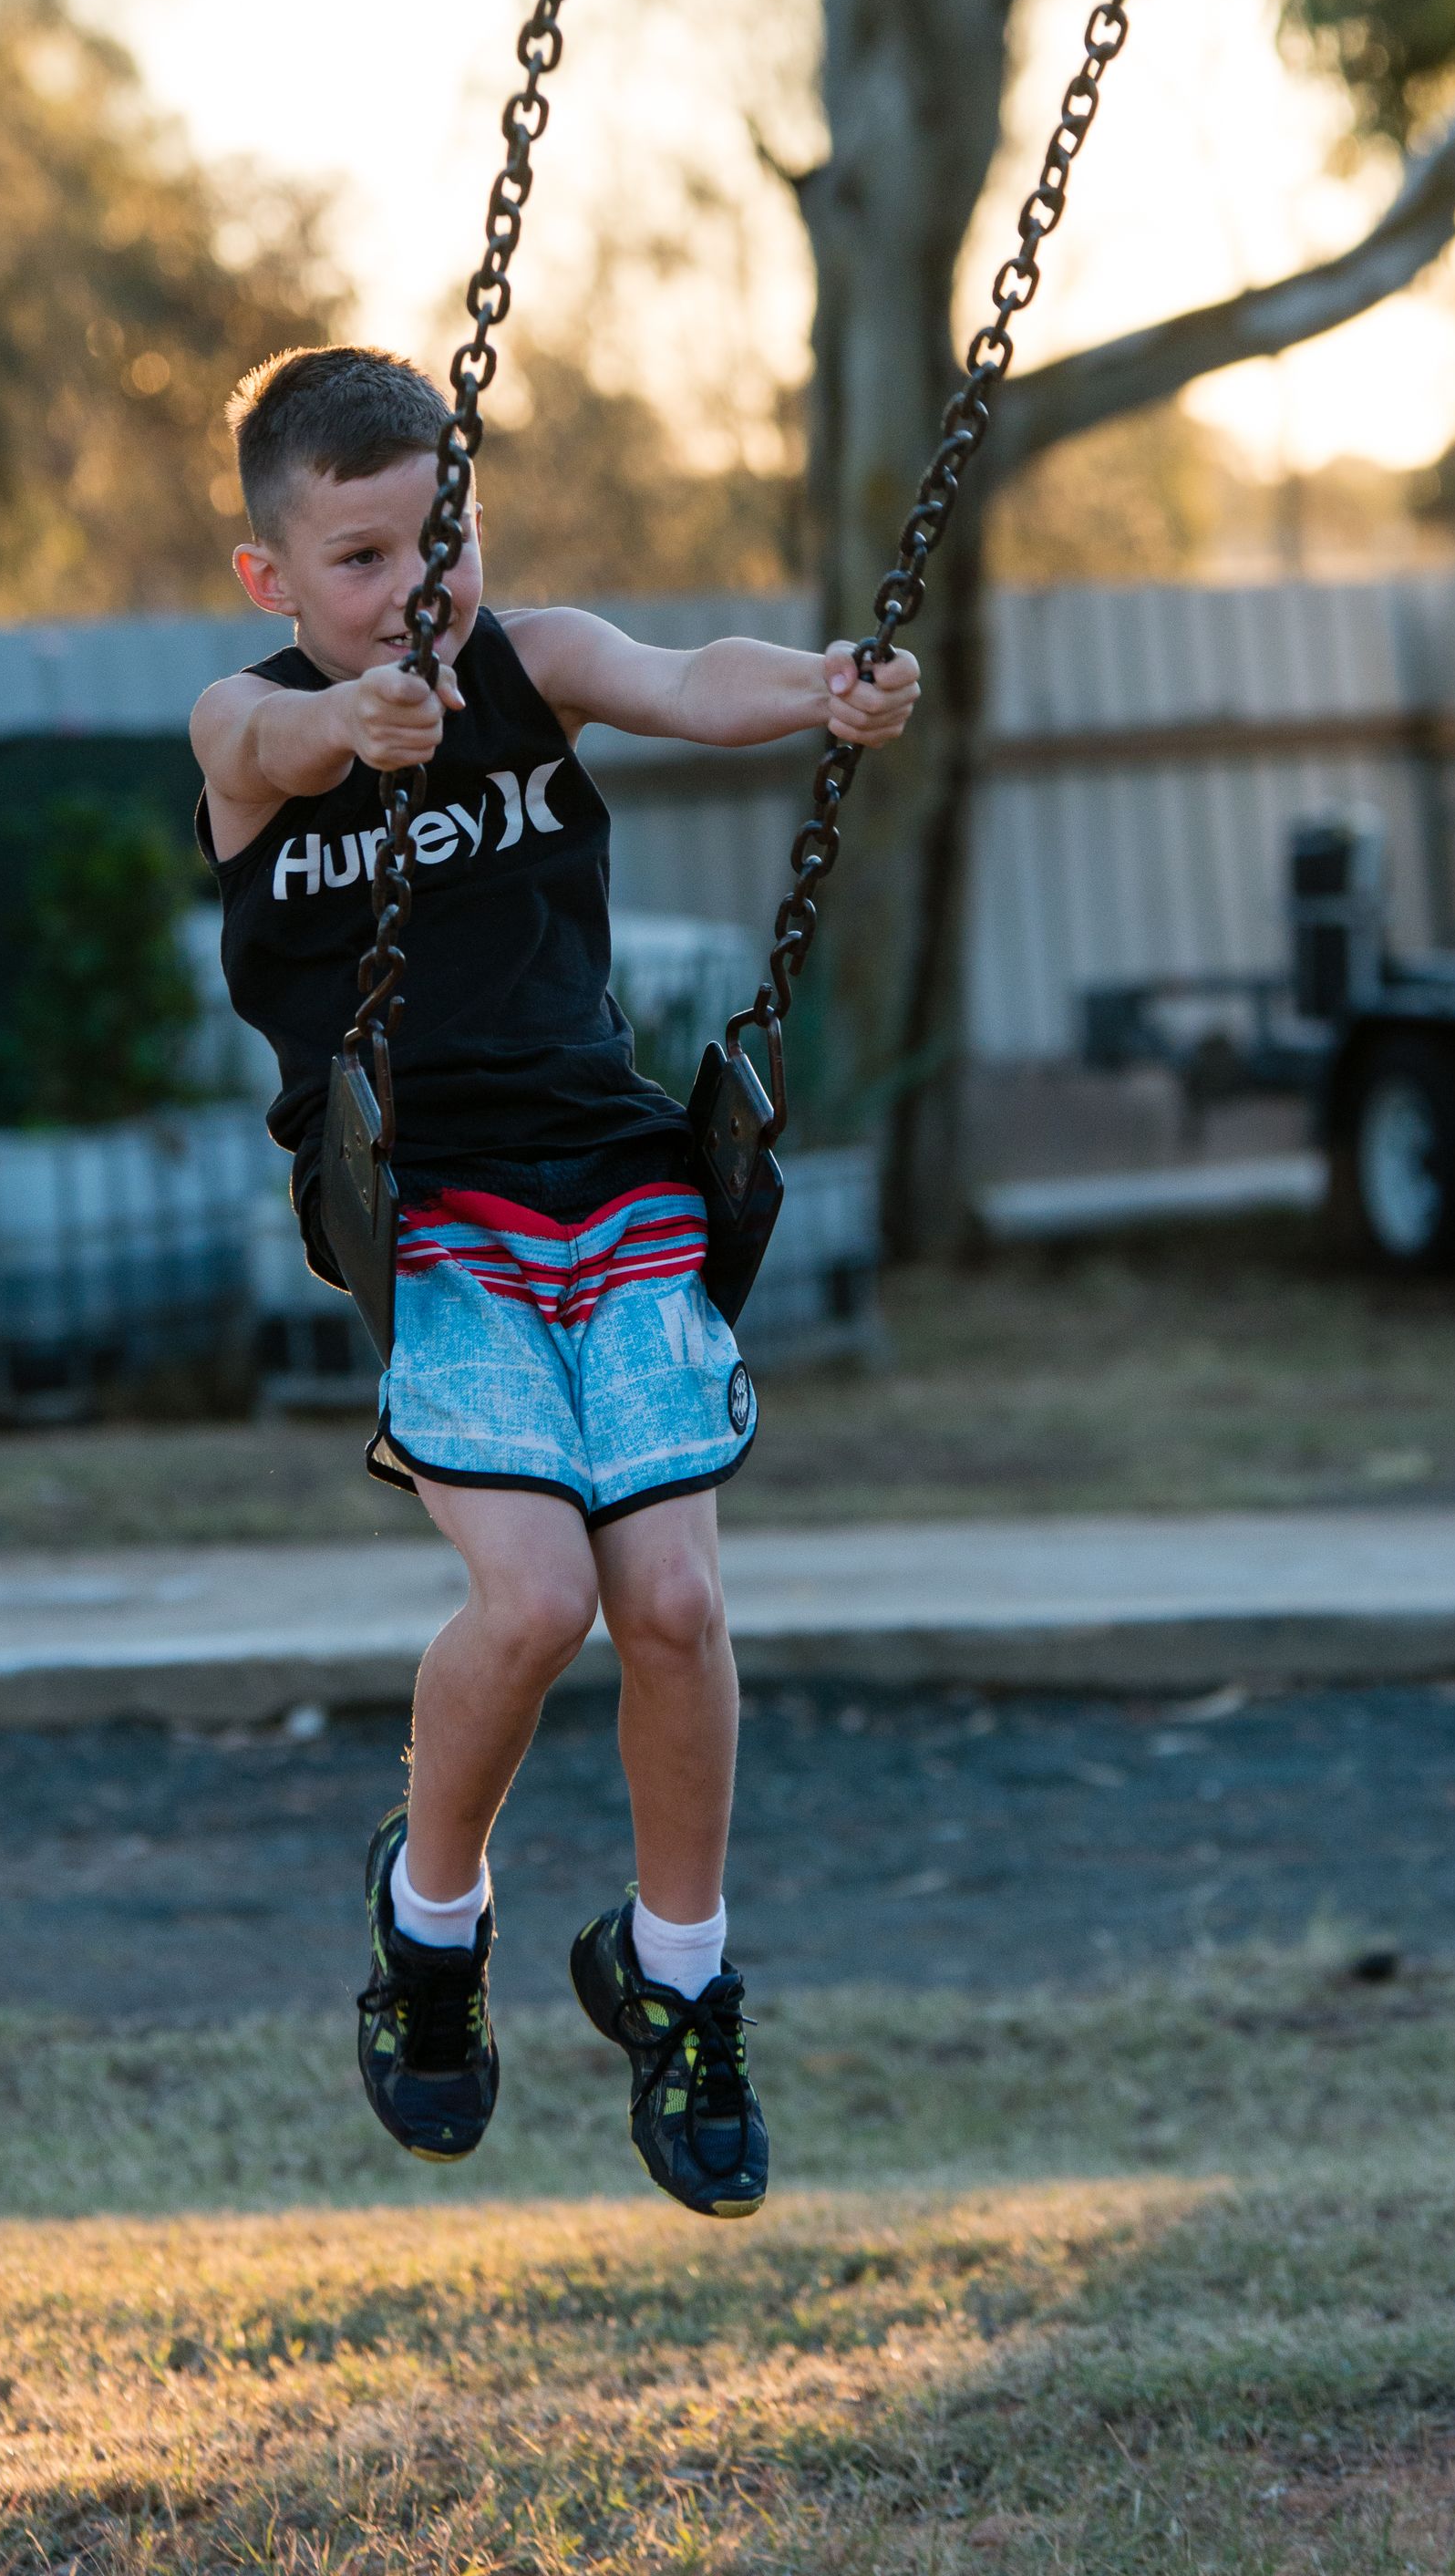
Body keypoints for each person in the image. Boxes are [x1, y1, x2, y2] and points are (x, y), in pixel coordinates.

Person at [191, 344, 917, 2219]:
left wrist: (826, 693)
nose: (414, 589)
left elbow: (687, 681)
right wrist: (353, 724)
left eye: (443, 538)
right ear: (274, 580)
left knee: (666, 1599)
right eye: (360, 560)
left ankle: (675, 1977)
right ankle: (433, 1928)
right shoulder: (244, 720)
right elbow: (267, 753)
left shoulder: (532, 662)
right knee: (527, 1607)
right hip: (425, 1211)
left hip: (613, 1178)